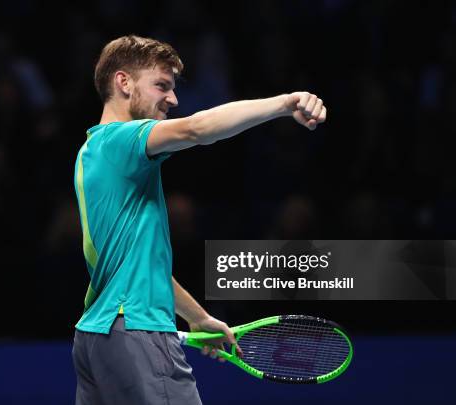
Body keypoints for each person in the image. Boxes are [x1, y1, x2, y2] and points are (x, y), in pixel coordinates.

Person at [72, 35, 327, 405]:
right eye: (162, 85)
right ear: (123, 82)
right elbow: (197, 128)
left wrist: (198, 317)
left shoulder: (90, 152)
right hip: (138, 333)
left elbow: (138, 267)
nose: (173, 99)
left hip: (96, 338)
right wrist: (283, 104)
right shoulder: (120, 141)